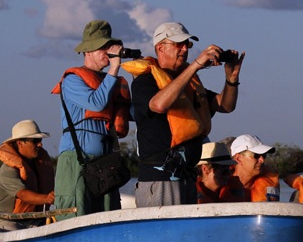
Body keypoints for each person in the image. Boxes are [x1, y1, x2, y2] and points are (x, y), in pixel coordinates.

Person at [122, 22, 244, 207]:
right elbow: (159, 104)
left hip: (187, 176)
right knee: (163, 232)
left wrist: (232, 79)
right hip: (160, 178)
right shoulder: (145, 80)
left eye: (187, 44)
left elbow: (225, 106)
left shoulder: (191, 83)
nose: (185, 49)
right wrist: (195, 65)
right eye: (178, 44)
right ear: (160, 48)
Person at [51, 20, 131, 219]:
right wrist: (114, 69)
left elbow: (132, 115)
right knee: (75, 213)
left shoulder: (109, 82)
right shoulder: (72, 80)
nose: (107, 52)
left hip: (106, 164)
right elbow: (96, 103)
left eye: (109, 47)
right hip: (77, 161)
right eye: (102, 47)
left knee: (107, 217)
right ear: (87, 51)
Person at [0, 120, 55, 230]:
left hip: (36, 220)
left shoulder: (38, 164)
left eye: (40, 140)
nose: (40, 144)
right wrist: (47, 198)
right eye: (35, 141)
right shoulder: (7, 170)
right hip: (8, 220)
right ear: (20, 143)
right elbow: (23, 195)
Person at [230, 134, 280, 202]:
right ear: (238, 158)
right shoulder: (221, 181)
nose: (262, 160)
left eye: (264, 155)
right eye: (256, 155)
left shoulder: (266, 181)